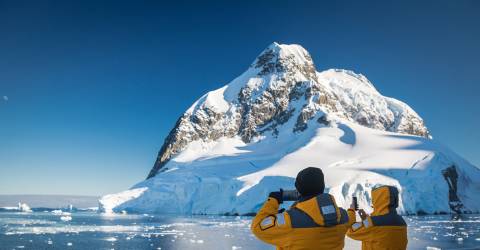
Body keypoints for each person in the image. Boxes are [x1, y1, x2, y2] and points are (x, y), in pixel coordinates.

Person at [251, 167, 354, 250]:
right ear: (322, 186)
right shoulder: (343, 216)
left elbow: (257, 227)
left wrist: (273, 201)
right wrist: (352, 210)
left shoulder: (290, 221)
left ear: (299, 190)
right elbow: (351, 220)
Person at [346, 185, 408, 250]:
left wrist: (351, 210)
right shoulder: (401, 222)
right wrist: (365, 219)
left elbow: (350, 230)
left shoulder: (373, 223)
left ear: (378, 200)